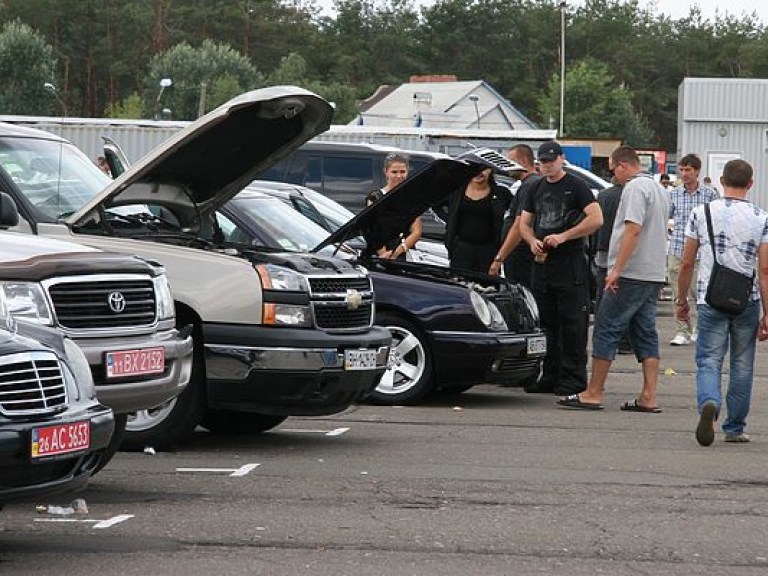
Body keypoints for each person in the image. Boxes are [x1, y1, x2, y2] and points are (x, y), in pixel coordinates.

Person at [558, 146, 669, 412]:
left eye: (612, 169)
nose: (612, 176)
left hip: (631, 272)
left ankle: (593, 392)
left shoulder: (633, 189)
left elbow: (633, 229)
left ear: (622, 165)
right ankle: (649, 395)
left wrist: (616, 269)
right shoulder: (659, 190)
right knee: (645, 332)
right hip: (652, 272)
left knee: (606, 327)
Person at [676, 159, 768, 446]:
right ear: (750, 184)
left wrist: (682, 299)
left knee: (708, 359)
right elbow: (764, 271)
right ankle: (735, 427)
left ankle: (709, 401)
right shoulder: (761, 217)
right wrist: (767, 313)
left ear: (721, 180)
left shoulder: (700, 212)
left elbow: (687, 261)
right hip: (747, 300)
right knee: (742, 364)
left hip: (710, 297)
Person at [519, 140, 603, 396]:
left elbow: (597, 219)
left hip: (570, 263)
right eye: (543, 161)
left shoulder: (577, 186)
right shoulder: (535, 187)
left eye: (552, 160)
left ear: (561, 159)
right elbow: (524, 223)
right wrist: (532, 240)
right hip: (543, 265)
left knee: (573, 324)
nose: (547, 166)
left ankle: (574, 378)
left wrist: (565, 236)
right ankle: (550, 374)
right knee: (547, 324)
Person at [667, 154, 718, 346]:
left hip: (701, 251)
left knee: (699, 291)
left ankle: (699, 327)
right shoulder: (673, 194)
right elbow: (667, 216)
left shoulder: (709, 194)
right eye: (681, 170)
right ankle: (682, 329)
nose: (684, 173)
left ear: (697, 171)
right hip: (678, 247)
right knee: (678, 291)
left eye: (688, 170)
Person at [489, 143, 542, 287]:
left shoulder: (529, 186)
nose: (507, 166)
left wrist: (499, 258)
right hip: (519, 255)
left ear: (523, 161)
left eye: (510, 161)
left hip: (520, 255)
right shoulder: (528, 184)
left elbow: (519, 225)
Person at [444, 167, 511, 273]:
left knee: (487, 287)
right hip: (461, 249)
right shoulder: (457, 191)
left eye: (484, 168)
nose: (479, 172)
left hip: (489, 250)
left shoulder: (501, 193)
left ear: (491, 170)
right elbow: (435, 204)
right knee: (459, 284)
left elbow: (517, 213)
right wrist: (448, 219)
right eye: (475, 168)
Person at [594, 179, 633, 354]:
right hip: (623, 252)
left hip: (603, 249)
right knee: (624, 300)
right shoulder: (630, 196)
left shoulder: (603, 196)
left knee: (603, 297)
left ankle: (599, 337)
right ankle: (624, 341)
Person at [365, 152, 422, 260]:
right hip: (380, 253)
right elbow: (372, 230)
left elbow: (416, 231)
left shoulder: (412, 198)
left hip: (403, 252)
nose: (399, 176)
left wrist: (396, 252)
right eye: (394, 172)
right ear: (386, 172)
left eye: (402, 172)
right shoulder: (374, 197)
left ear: (407, 172)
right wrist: (383, 254)